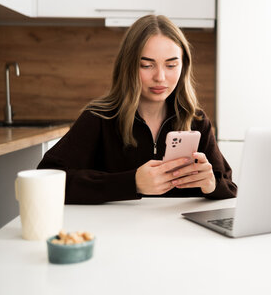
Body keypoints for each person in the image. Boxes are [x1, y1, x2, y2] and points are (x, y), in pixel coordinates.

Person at [37, 15, 237, 204]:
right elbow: (45, 180)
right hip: (118, 233)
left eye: (171, 65)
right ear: (128, 66)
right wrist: (131, 183)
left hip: (180, 235)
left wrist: (211, 185)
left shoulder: (197, 121)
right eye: (147, 65)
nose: (160, 77)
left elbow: (229, 187)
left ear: (183, 67)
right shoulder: (99, 118)